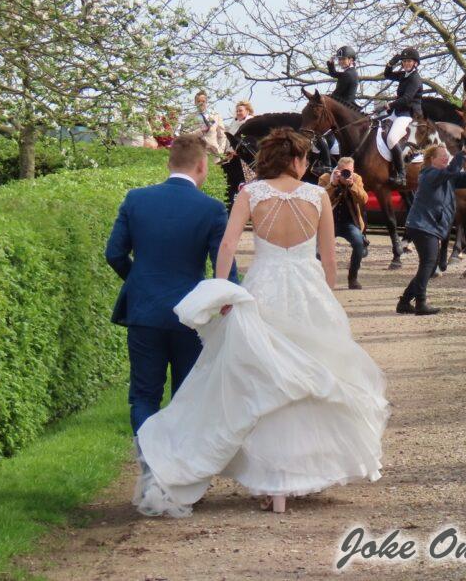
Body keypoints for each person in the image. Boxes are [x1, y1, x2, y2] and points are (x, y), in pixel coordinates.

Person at [133, 127, 389, 517]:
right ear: (296, 159)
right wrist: (328, 296)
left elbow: (228, 245)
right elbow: (329, 258)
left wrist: (222, 290)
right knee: (309, 379)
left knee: (263, 379)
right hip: (307, 291)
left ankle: (272, 481)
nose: (306, 165)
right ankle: (301, 473)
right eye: (305, 158)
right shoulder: (317, 196)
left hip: (264, 289)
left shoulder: (250, 194)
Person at [104, 134, 238, 447]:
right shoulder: (212, 209)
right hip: (190, 314)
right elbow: (223, 264)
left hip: (144, 311)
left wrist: (139, 281)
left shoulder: (136, 199)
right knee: (186, 394)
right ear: (202, 166)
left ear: (169, 163)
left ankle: (148, 462)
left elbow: (114, 254)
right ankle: (180, 465)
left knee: (144, 395)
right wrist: (225, 300)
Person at [397, 145, 466, 315]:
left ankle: (405, 301)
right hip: (421, 226)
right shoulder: (429, 174)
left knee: (429, 266)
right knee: (428, 264)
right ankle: (420, 303)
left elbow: (465, 178)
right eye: (442, 156)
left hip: (427, 227)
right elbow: (452, 170)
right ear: (432, 160)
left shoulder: (446, 176)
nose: (446, 158)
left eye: (447, 156)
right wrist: (464, 152)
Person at [319, 156, 369, 290]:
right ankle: (320, 279)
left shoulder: (356, 179)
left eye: (349, 171)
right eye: (344, 171)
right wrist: (333, 184)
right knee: (318, 250)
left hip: (349, 222)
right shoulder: (326, 178)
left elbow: (364, 199)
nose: (347, 174)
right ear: (338, 169)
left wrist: (352, 185)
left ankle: (353, 278)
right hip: (329, 222)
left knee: (359, 244)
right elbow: (319, 199)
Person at [382, 47, 425, 186]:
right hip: (398, 112)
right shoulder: (404, 75)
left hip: (409, 114)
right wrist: (391, 62)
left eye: (409, 61)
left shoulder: (415, 79)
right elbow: (387, 74)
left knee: (391, 138)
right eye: (404, 61)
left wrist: (390, 104)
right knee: (379, 130)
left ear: (415, 63)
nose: (406, 63)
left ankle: (402, 174)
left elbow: (406, 99)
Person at [224, 100, 256, 212]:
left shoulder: (251, 123)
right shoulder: (234, 123)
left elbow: (250, 141)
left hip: (244, 159)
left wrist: (239, 150)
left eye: (240, 111)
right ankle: (230, 210)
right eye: (237, 111)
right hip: (231, 158)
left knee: (245, 184)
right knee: (230, 184)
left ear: (247, 111)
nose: (238, 113)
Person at [179, 90, 228, 157]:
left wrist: (220, 151)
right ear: (195, 102)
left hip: (213, 155)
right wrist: (200, 131)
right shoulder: (190, 118)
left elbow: (222, 136)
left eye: (203, 101)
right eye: (198, 101)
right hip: (195, 154)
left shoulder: (215, 116)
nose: (201, 103)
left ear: (206, 102)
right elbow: (185, 136)